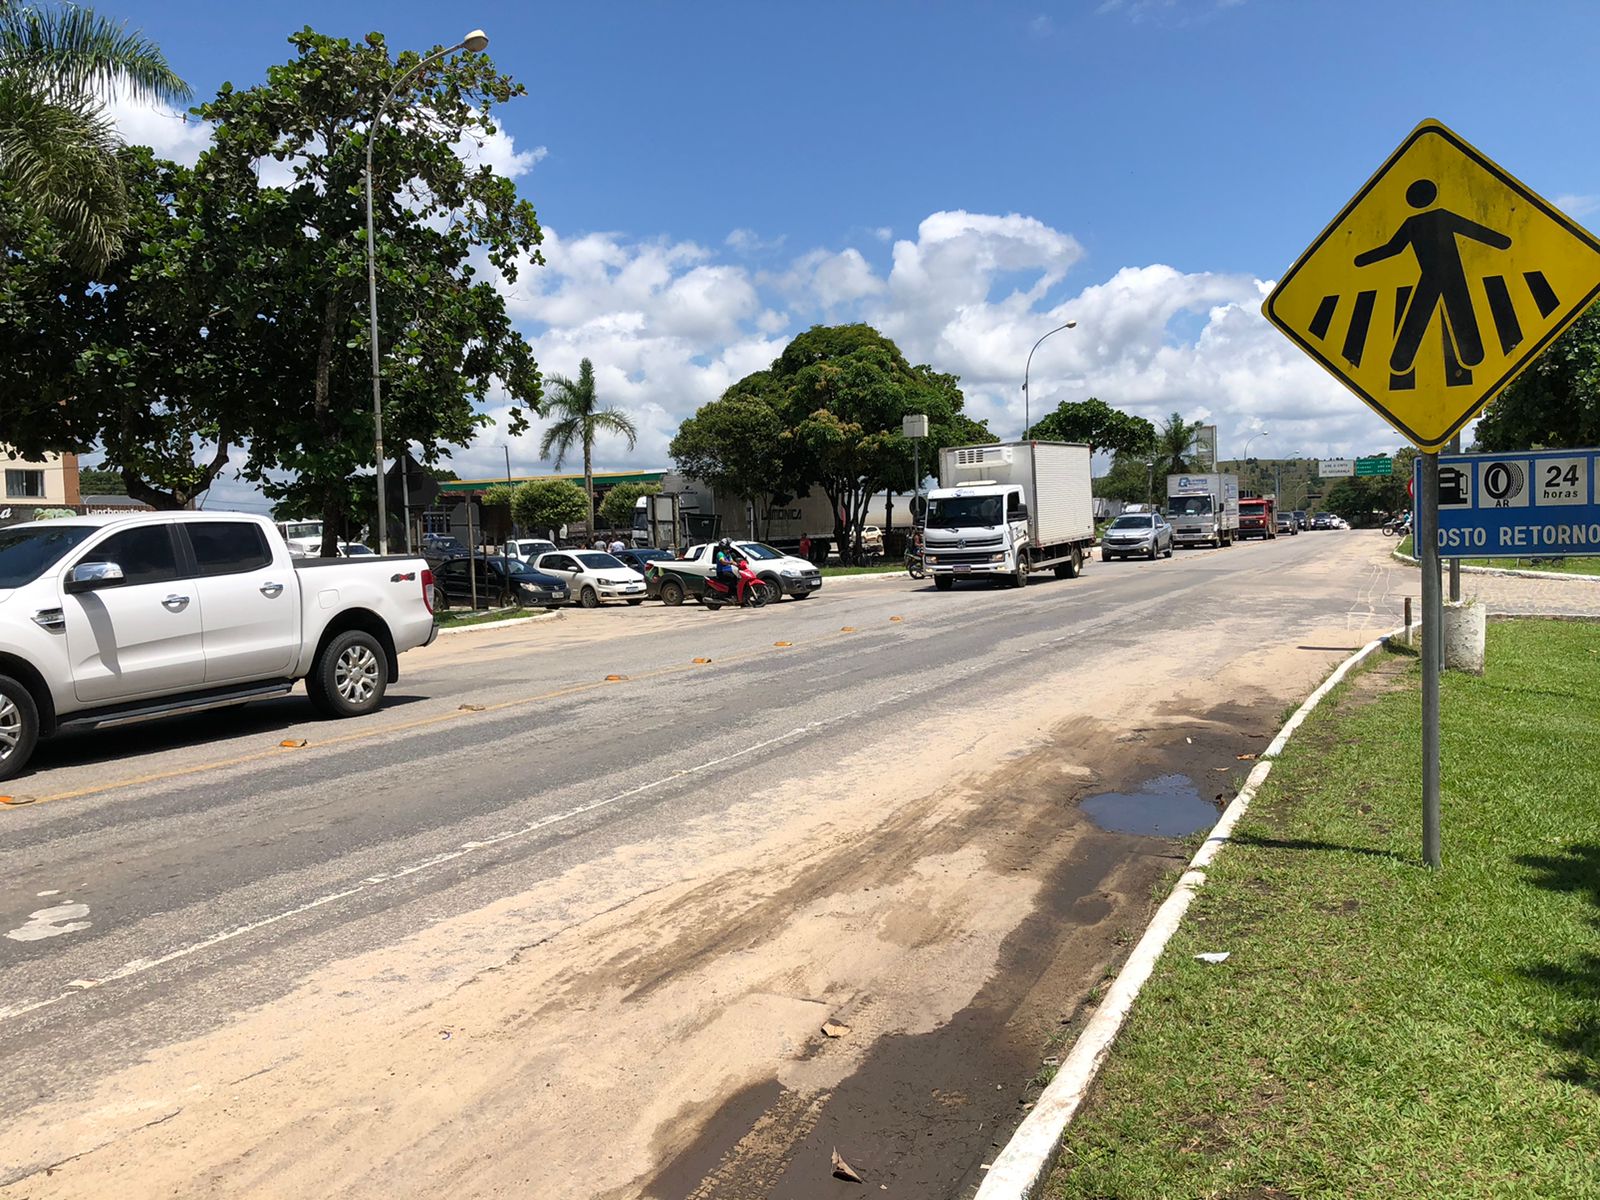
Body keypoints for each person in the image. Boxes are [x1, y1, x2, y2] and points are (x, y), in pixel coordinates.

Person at [710, 536, 741, 601]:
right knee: (733, 579)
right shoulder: (720, 554)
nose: (728, 549)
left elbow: (733, 561)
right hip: (722, 572)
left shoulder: (728, 554)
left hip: (728, 571)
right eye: (727, 548)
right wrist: (731, 562)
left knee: (738, 579)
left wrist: (739, 564)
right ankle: (730, 595)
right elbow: (723, 561)